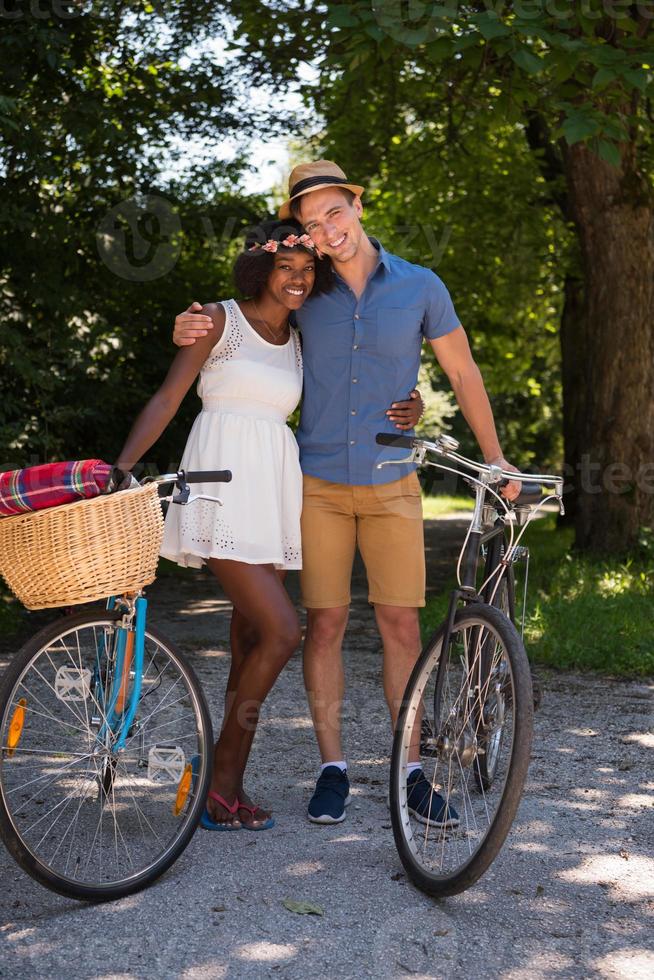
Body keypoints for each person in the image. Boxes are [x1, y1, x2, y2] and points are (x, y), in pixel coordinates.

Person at [172, 162, 521, 829]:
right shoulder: (307, 289)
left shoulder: (421, 286)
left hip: (394, 484)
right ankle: (331, 768)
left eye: (334, 213)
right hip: (317, 485)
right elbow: (242, 325)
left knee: (400, 626)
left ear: (356, 206)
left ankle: (410, 769)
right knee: (323, 626)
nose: (325, 231)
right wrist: (189, 325)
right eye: (309, 223)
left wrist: (493, 455)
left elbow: (462, 369)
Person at [116, 216, 423, 831]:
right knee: (284, 630)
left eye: (309, 270)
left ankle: (226, 787)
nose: (298, 280)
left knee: (249, 641)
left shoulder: (302, 338)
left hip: (275, 489)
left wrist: (411, 403)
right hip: (219, 485)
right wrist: (122, 468)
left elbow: (357, 381)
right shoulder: (220, 320)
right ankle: (217, 782)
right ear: (261, 267)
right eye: (286, 267)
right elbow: (169, 397)